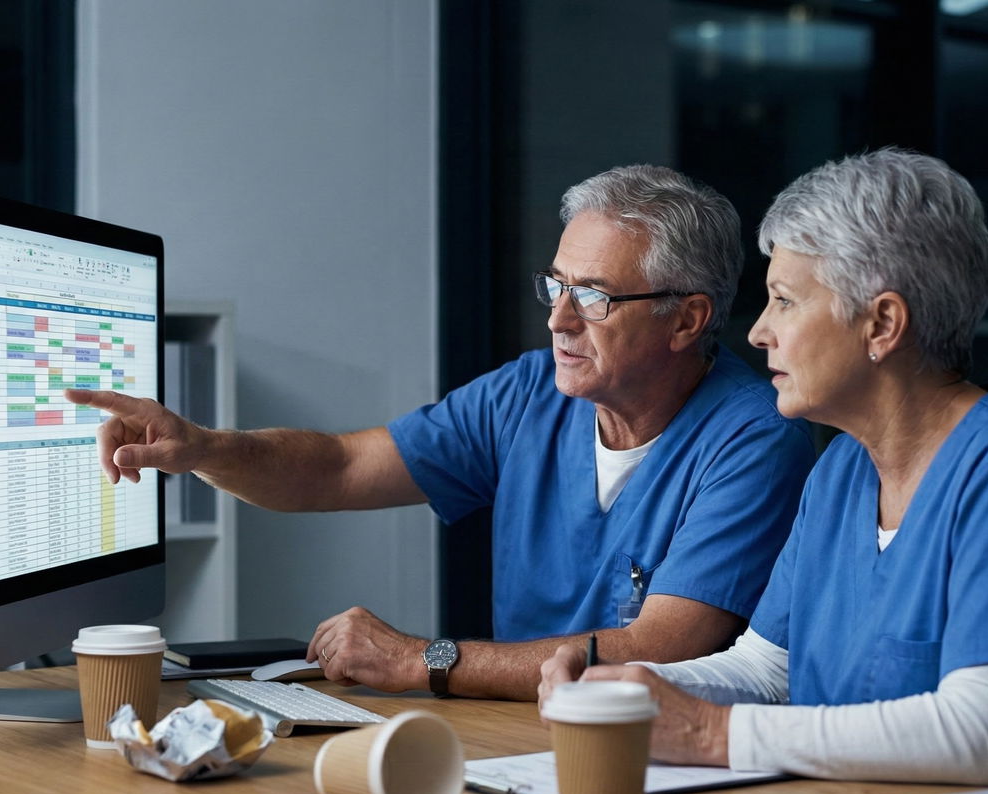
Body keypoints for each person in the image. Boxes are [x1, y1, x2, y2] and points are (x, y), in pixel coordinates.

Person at [540, 148, 988, 790]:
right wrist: (615, 684)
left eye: (784, 301)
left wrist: (709, 733)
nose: (757, 333)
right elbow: (767, 672)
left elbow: (981, 735)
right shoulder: (842, 468)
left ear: (883, 324)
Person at [67, 165, 815, 701]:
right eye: (555, 287)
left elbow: (661, 650)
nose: (557, 320)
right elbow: (333, 468)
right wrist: (201, 448)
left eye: (592, 297)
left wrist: (425, 659)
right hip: (509, 739)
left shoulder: (753, 436)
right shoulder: (528, 393)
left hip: (647, 757)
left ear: (686, 319)